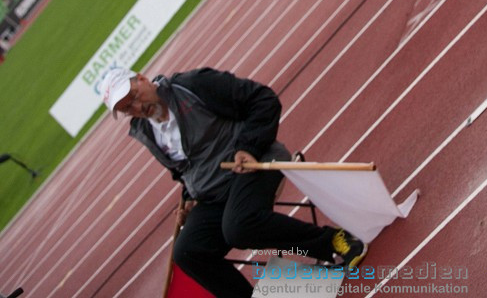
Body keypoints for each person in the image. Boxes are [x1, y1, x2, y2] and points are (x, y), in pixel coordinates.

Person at [100, 66, 367, 298]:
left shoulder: (194, 85)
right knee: (188, 252)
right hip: (212, 195)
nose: (137, 107)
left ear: (143, 79)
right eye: (127, 109)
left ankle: (332, 241)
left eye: (134, 96)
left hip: (254, 162)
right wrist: (188, 198)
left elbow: (263, 100)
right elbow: (183, 170)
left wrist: (247, 148)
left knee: (239, 228)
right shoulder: (146, 131)